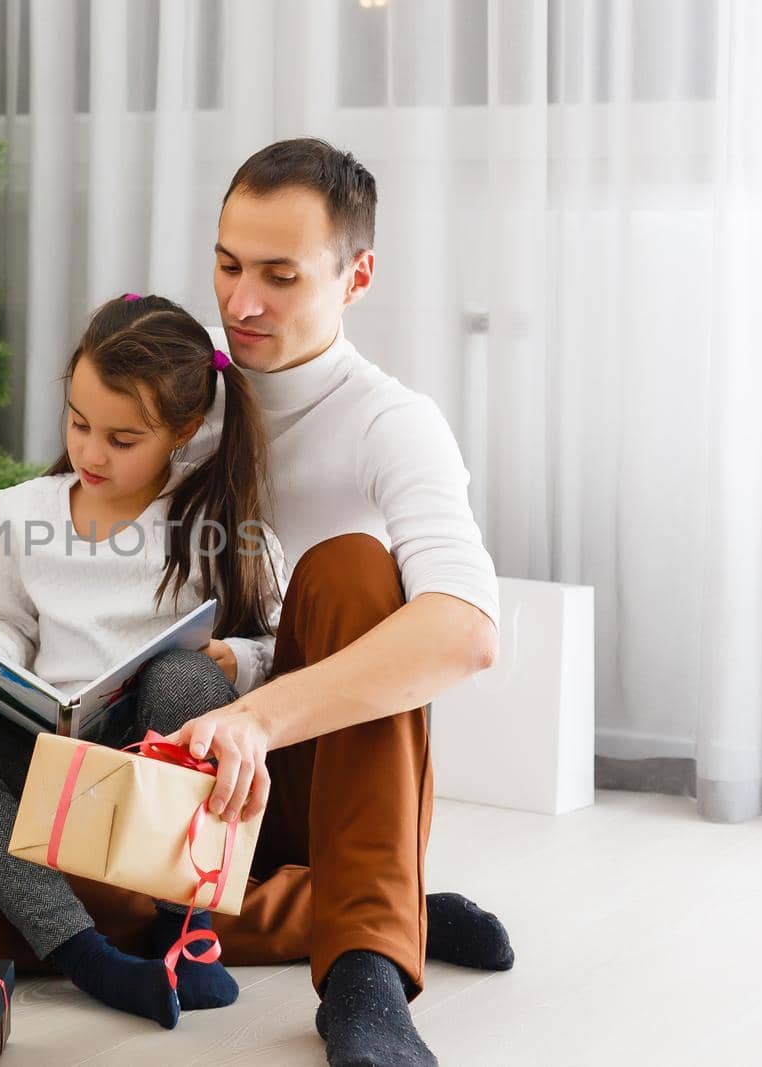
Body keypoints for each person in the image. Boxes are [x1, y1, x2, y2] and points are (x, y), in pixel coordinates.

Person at [168, 137, 515, 1067]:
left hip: (332, 778)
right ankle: (374, 901)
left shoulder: (391, 421)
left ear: (356, 276)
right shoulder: (178, 399)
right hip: (194, 761)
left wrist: (258, 715)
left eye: (279, 276)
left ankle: (364, 966)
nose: (241, 303)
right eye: (228, 264)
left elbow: (466, 629)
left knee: (356, 567)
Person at [0, 293, 286, 1030]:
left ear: (181, 432)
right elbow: (10, 622)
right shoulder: (25, 509)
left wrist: (234, 661)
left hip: (151, 766)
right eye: (79, 424)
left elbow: (280, 650)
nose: (90, 452)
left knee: (184, 679)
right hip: (50, 761)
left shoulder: (215, 524)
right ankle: (87, 954)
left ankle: (187, 929)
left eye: (122, 438)